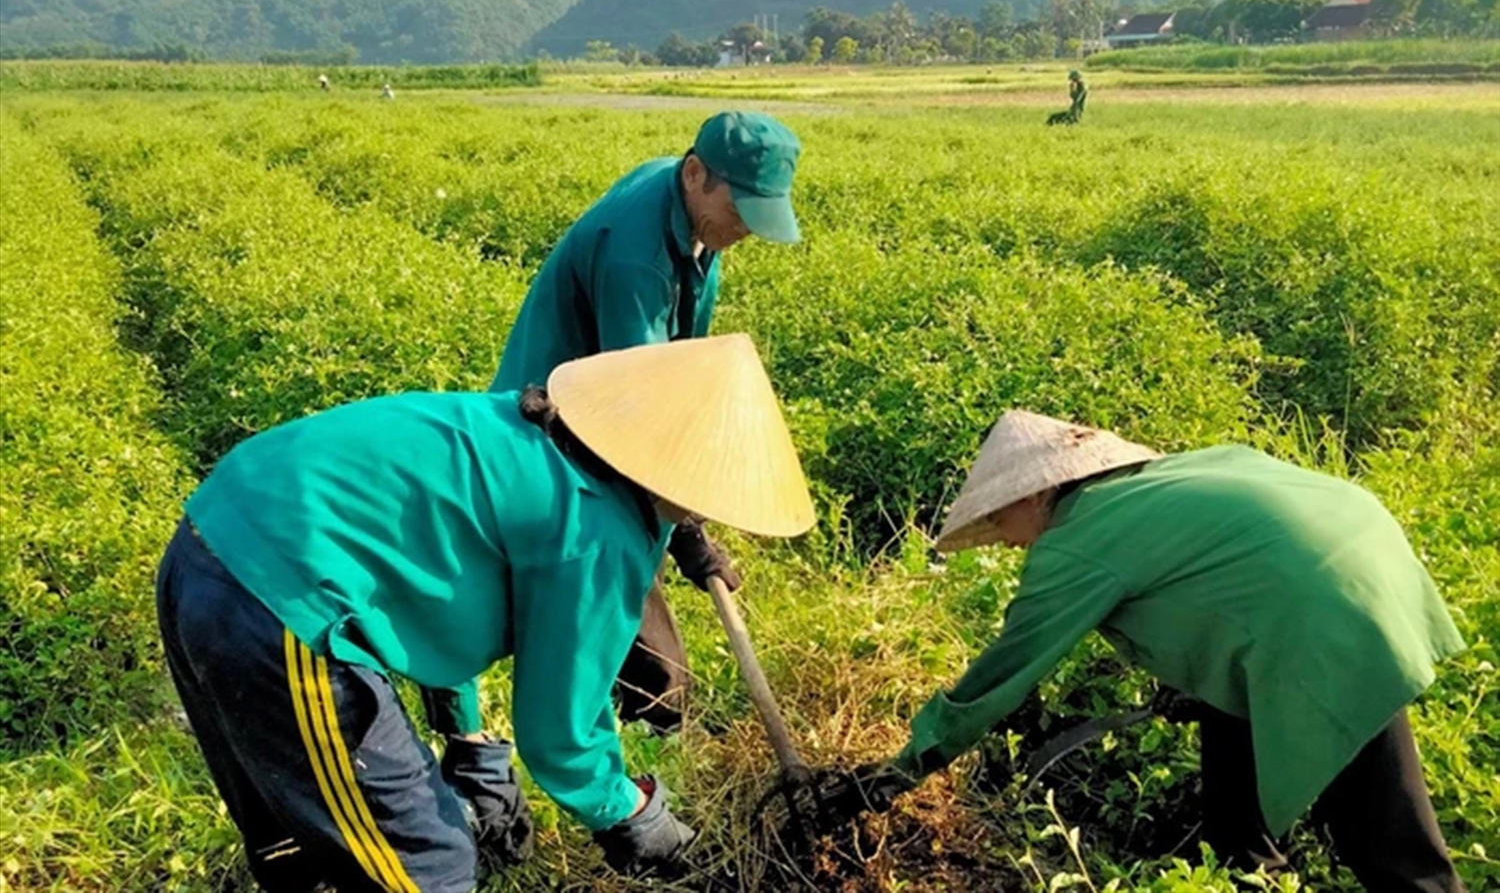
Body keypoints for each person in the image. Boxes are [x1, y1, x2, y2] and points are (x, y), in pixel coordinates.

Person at [155, 334, 816, 892]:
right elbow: (561, 733)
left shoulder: (525, 429)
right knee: (428, 863)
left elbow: (426, 580)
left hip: (211, 539)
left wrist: (467, 740)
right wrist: (633, 814)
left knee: (299, 832)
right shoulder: (596, 531)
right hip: (280, 601)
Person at [832, 411, 1467, 893]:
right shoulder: (1165, 479)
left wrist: (901, 772)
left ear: (1031, 495)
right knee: (1234, 808)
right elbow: (1222, 574)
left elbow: (1001, 676)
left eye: (998, 523)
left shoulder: (1075, 542)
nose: (1003, 543)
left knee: (1385, 838)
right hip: (1360, 560)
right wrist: (1190, 679)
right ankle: (1252, 871)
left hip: (1320, 616)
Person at [476, 110, 803, 736]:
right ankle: (647, 730)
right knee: (617, 567)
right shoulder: (636, 256)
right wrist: (688, 534)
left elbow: (676, 367)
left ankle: (641, 720)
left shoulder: (691, 211)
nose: (744, 233)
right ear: (695, 173)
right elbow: (639, 419)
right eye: (739, 214)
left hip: (616, 405)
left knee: (633, 552)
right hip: (562, 427)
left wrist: (686, 528)